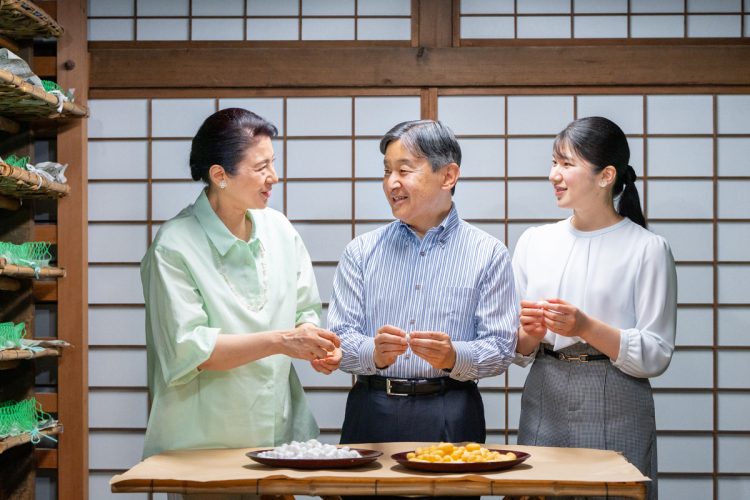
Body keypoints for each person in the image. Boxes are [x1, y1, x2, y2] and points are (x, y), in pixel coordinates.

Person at [140, 109, 341, 479]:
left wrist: (314, 343)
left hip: (279, 437)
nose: (274, 177)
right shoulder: (174, 246)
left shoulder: (279, 228)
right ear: (220, 176)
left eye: (273, 164)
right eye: (261, 167)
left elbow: (305, 309)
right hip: (201, 446)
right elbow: (191, 350)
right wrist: (284, 341)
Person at [512, 116, 677, 500]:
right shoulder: (534, 241)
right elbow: (517, 348)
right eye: (554, 162)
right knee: (535, 493)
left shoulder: (647, 249)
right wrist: (529, 335)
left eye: (567, 164)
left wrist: (585, 326)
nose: (555, 174)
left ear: (606, 176)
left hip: (617, 395)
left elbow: (656, 352)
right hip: (545, 388)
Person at [328, 120, 518, 448]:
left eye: (405, 170)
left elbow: (501, 349)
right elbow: (339, 341)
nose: (392, 183)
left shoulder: (488, 254)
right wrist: (373, 352)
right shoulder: (360, 251)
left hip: (451, 408)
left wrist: (452, 355)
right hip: (372, 407)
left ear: (448, 175)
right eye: (387, 171)